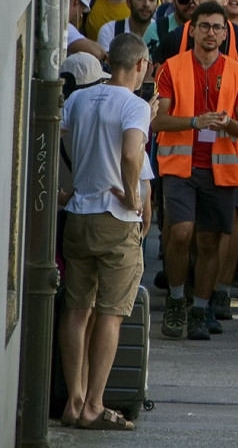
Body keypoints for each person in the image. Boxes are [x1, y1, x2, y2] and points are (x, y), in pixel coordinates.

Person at [58, 38, 153, 430]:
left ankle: (73, 401)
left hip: (78, 213)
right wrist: (133, 195)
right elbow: (132, 154)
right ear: (142, 64)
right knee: (111, 315)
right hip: (115, 219)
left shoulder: (80, 99)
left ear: (110, 61)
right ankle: (94, 405)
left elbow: (53, 136)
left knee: (77, 311)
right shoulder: (135, 105)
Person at [153, 2, 238, 341]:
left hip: (221, 170)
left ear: (225, 33)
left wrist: (230, 123)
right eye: (205, 26)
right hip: (180, 167)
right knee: (181, 233)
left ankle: (200, 309)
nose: (211, 32)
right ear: (192, 30)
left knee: (210, 241)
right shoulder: (170, 68)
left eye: (217, 27)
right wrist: (193, 122)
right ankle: (177, 300)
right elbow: (156, 120)